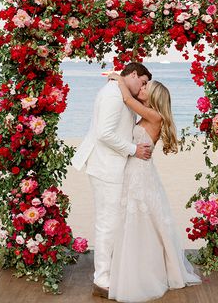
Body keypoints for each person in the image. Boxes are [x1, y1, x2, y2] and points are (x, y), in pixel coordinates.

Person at [107, 73, 201, 302]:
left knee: (142, 219)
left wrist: (119, 80)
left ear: (154, 96)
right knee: (138, 218)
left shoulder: (155, 116)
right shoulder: (146, 112)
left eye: (146, 85)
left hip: (140, 172)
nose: (143, 86)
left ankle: (144, 272)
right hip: (135, 170)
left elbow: (128, 101)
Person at [71, 63, 153, 298]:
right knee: (107, 224)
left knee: (112, 222)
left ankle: (109, 273)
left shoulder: (119, 91)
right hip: (106, 167)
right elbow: (104, 134)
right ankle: (102, 279)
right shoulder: (113, 96)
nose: (143, 86)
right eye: (143, 81)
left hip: (110, 165)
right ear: (134, 74)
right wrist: (133, 149)